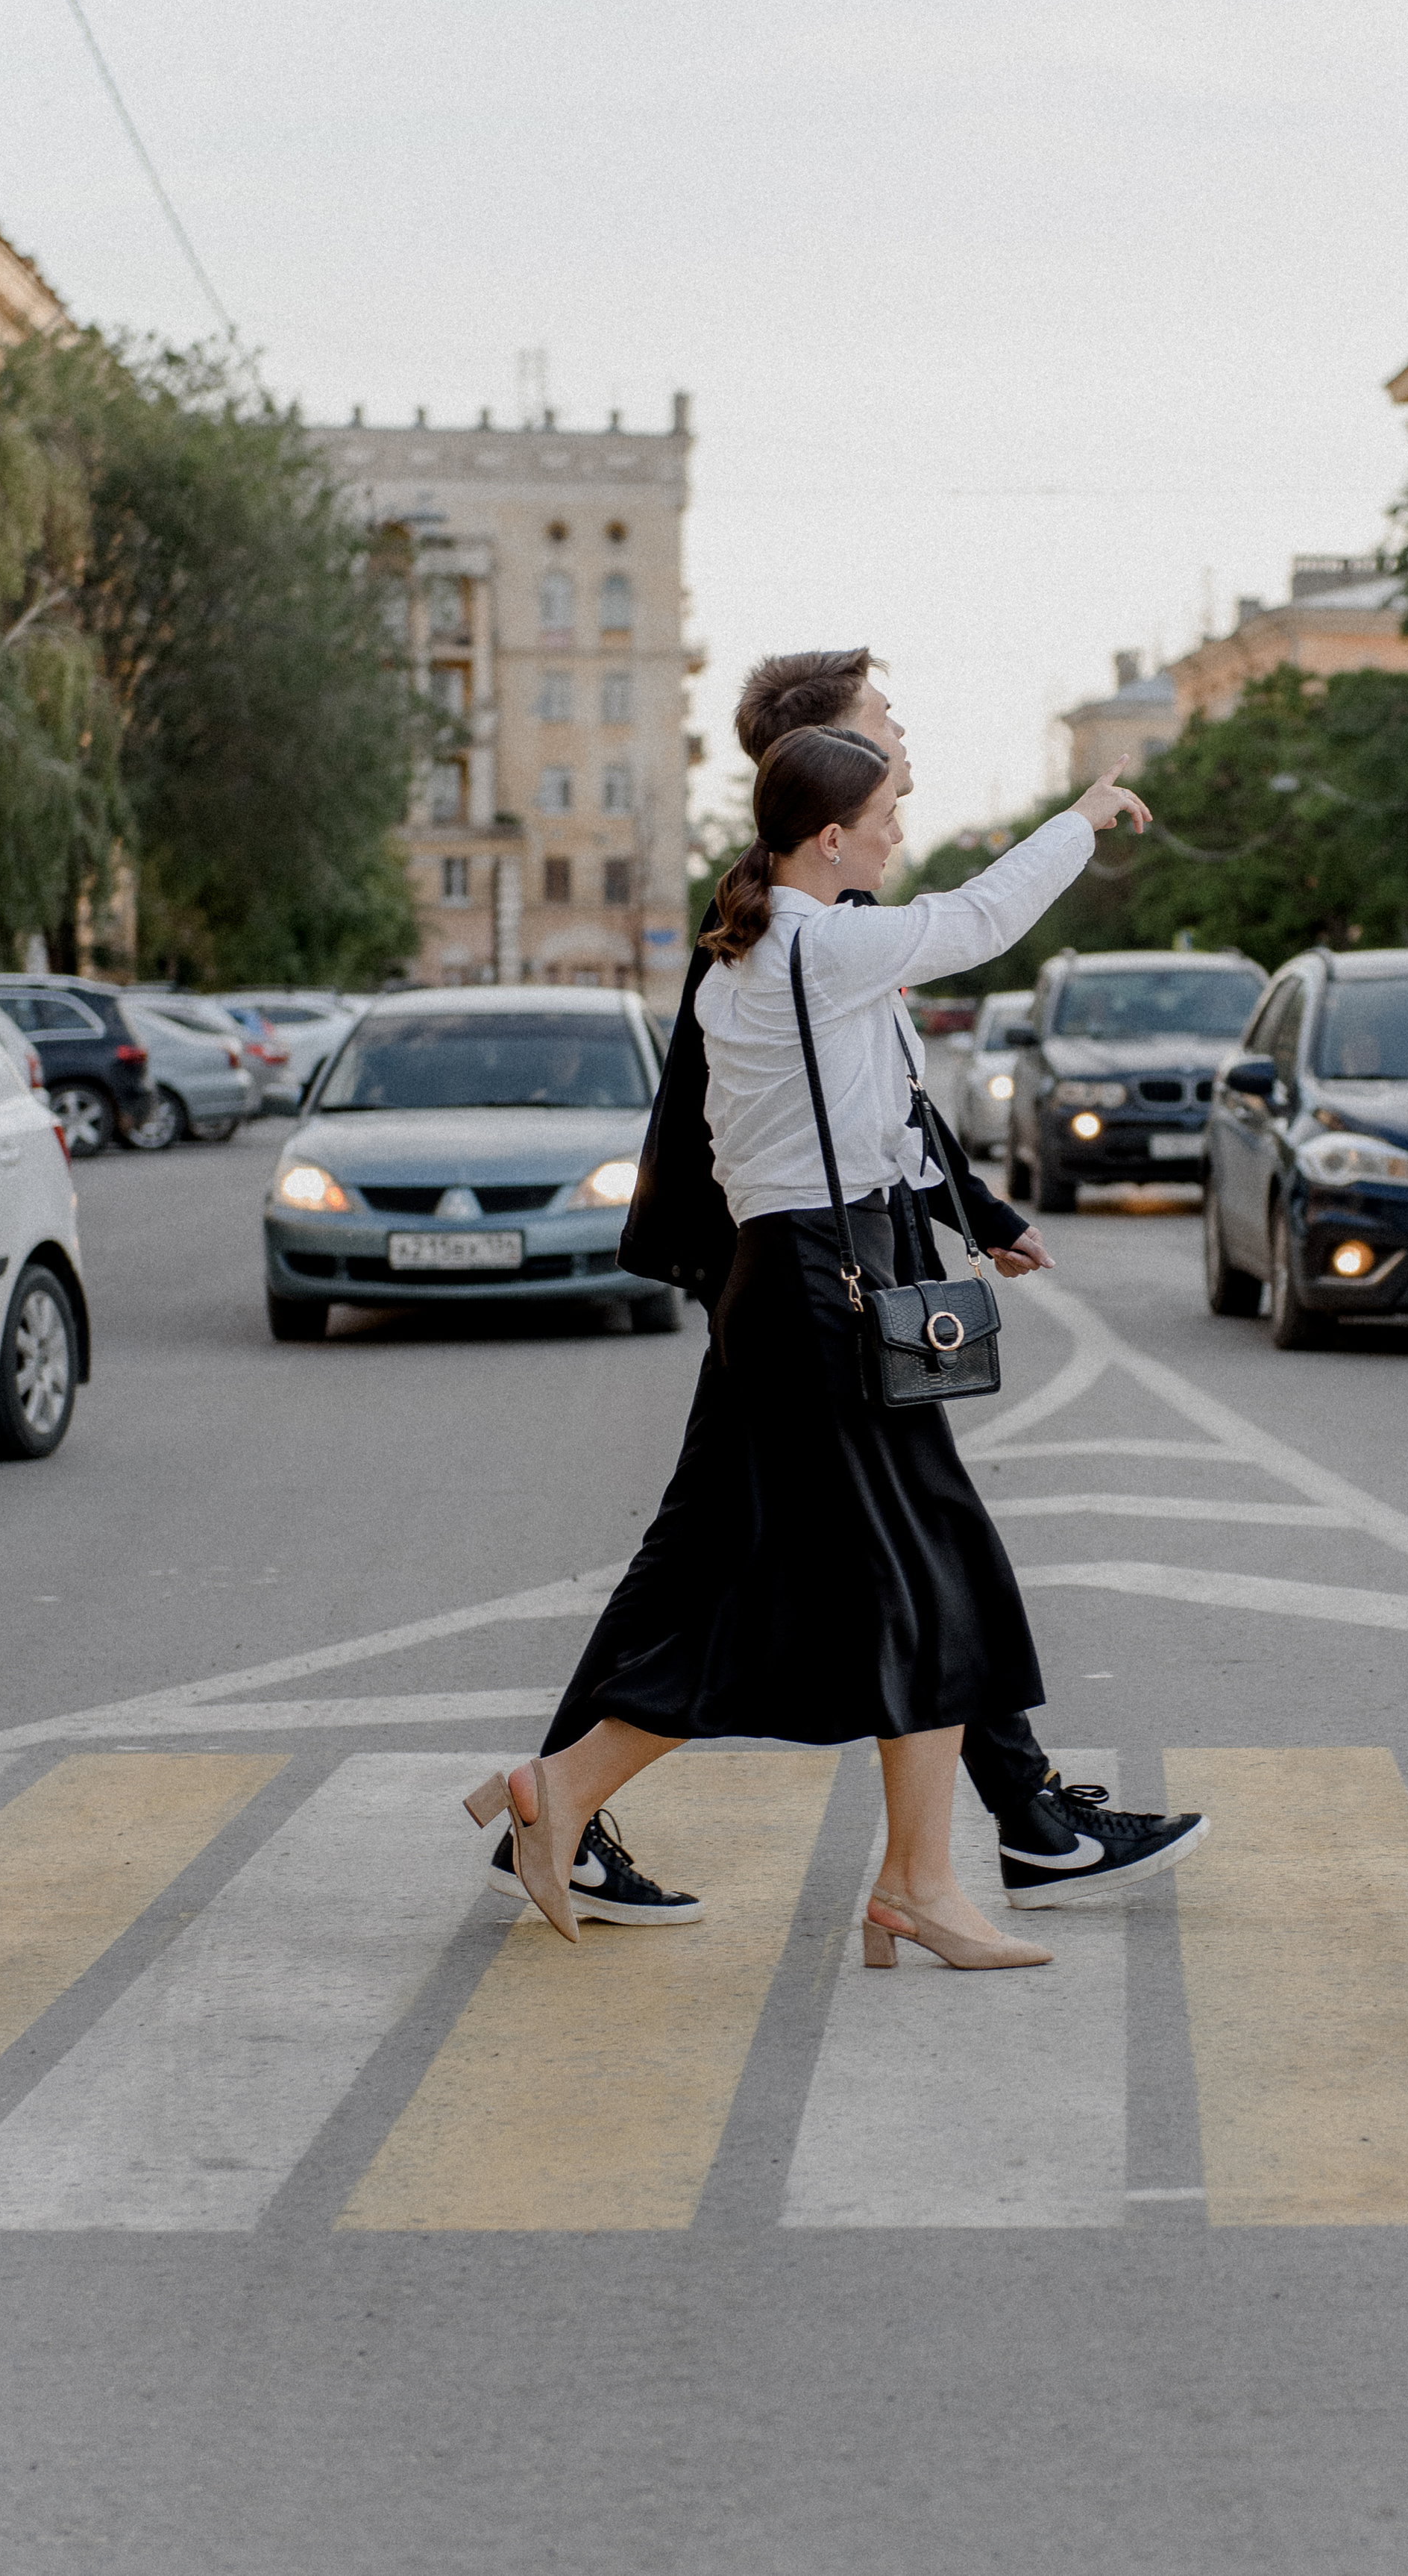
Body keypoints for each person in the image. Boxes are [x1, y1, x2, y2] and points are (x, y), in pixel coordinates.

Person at [488, 648, 1205, 1925]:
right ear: (828, 828)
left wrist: (961, 1211)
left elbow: (868, 1113)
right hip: (816, 1284)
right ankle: (928, 1864)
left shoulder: (770, 940)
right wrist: (1082, 818)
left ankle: (923, 1860)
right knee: (889, 1581)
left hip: (804, 1273)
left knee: (819, 1578)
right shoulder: (814, 949)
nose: (899, 823)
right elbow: (977, 925)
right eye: (885, 811)